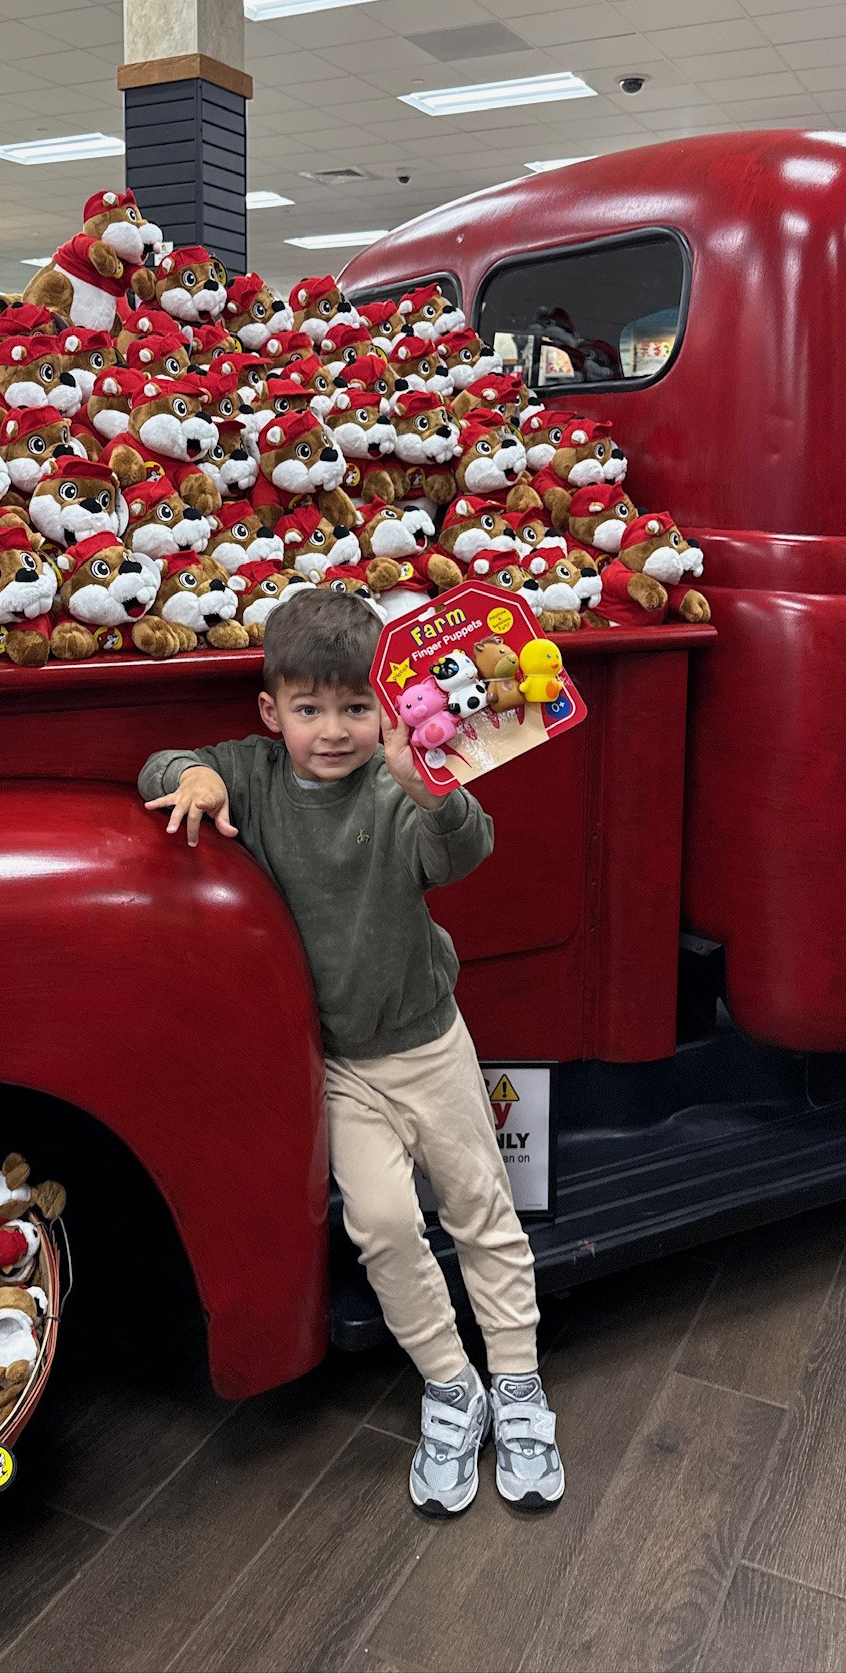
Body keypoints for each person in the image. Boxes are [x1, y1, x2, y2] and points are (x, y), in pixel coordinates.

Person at [138, 586, 563, 1516]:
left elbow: (463, 852)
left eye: (355, 708)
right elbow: (166, 764)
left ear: (388, 704)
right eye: (309, 709)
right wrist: (193, 780)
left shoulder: (397, 782)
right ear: (272, 712)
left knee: (483, 1211)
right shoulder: (251, 772)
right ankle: (452, 1385)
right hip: (333, 1066)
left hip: (429, 1044)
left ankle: (519, 1382)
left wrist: (430, 788)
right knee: (382, 1226)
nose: (332, 731)